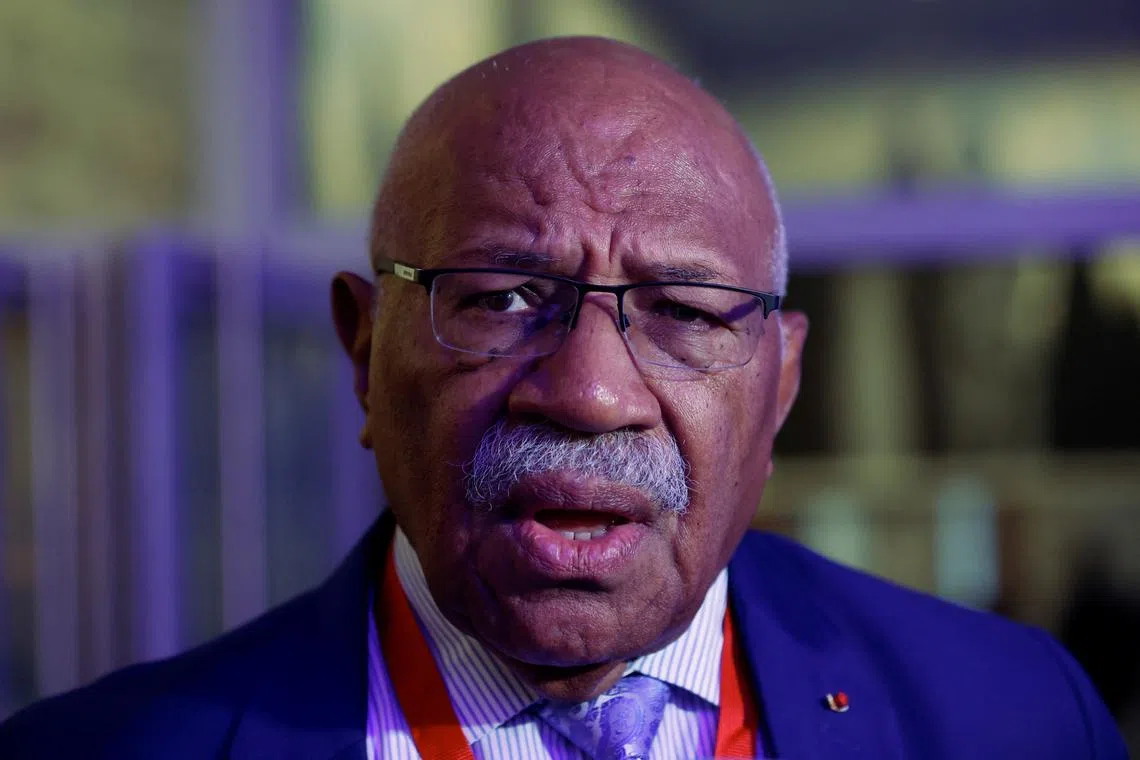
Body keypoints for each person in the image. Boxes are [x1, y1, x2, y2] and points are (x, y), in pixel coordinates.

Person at [0, 36, 1127, 760]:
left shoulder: (1014, 717)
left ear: (781, 386)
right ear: (362, 348)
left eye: (685, 311)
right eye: (499, 298)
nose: (589, 393)